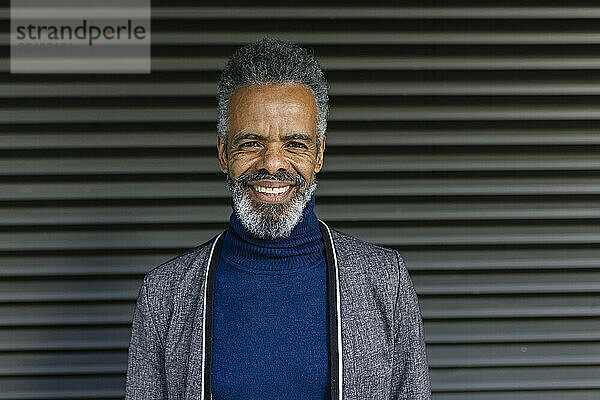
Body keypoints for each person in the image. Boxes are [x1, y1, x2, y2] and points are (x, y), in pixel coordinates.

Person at [126, 38, 431, 400]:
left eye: (295, 144)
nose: (272, 163)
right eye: (251, 143)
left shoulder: (385, 282)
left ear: (319, 155)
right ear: (223, 152)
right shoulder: (164, 295)